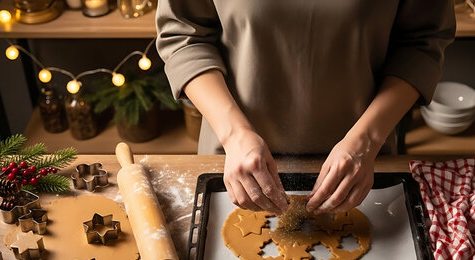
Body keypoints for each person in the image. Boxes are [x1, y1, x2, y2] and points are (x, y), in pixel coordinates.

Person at [156, 0, 455, 215]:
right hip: (233, 157)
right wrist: (235, 136)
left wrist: (365, 141)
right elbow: (184, 37)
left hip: (364, 160)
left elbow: (421, 44)